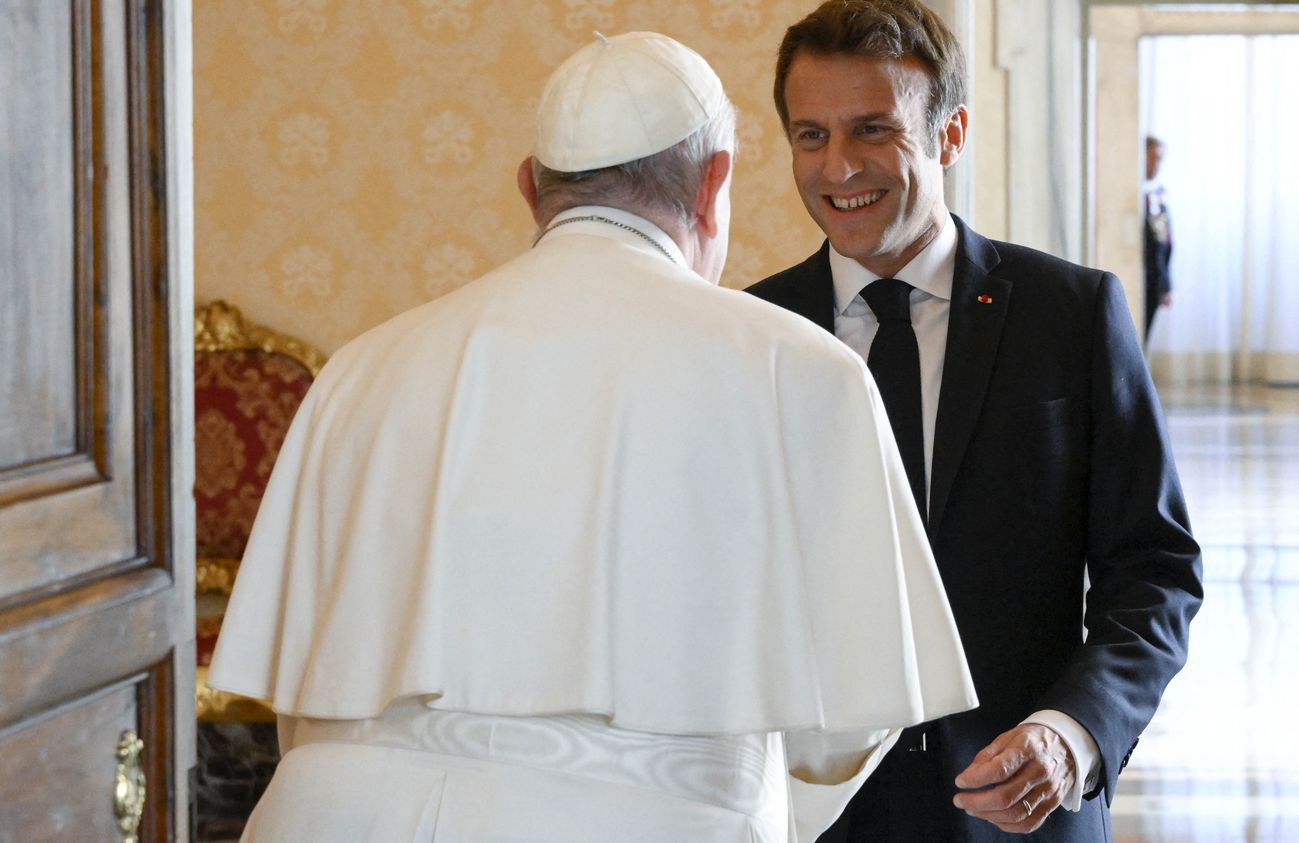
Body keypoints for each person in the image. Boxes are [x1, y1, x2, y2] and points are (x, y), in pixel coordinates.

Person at [208, 31, 978, 843]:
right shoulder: (802, 369)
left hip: (328, 814)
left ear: (528, 188)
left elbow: (304, 682)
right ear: (716, 183)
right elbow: (846, 723)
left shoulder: (361, 367)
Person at [746, 3, 1204, 840]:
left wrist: (1073, 733)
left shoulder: (1072, 313)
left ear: (950, 134)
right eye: (810, 135)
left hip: (1023, 812)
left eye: (873, 129)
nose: (838, 166)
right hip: (807, 818)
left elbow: (1157, 569)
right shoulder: (746, 334)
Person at [1143, 135, 1173, 343]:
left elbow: (1164, 244)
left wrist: (1166, 284)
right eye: (1153, 157)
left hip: (1153, 279)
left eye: (1160, 159)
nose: (1157, 164)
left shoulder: (1157, 195)